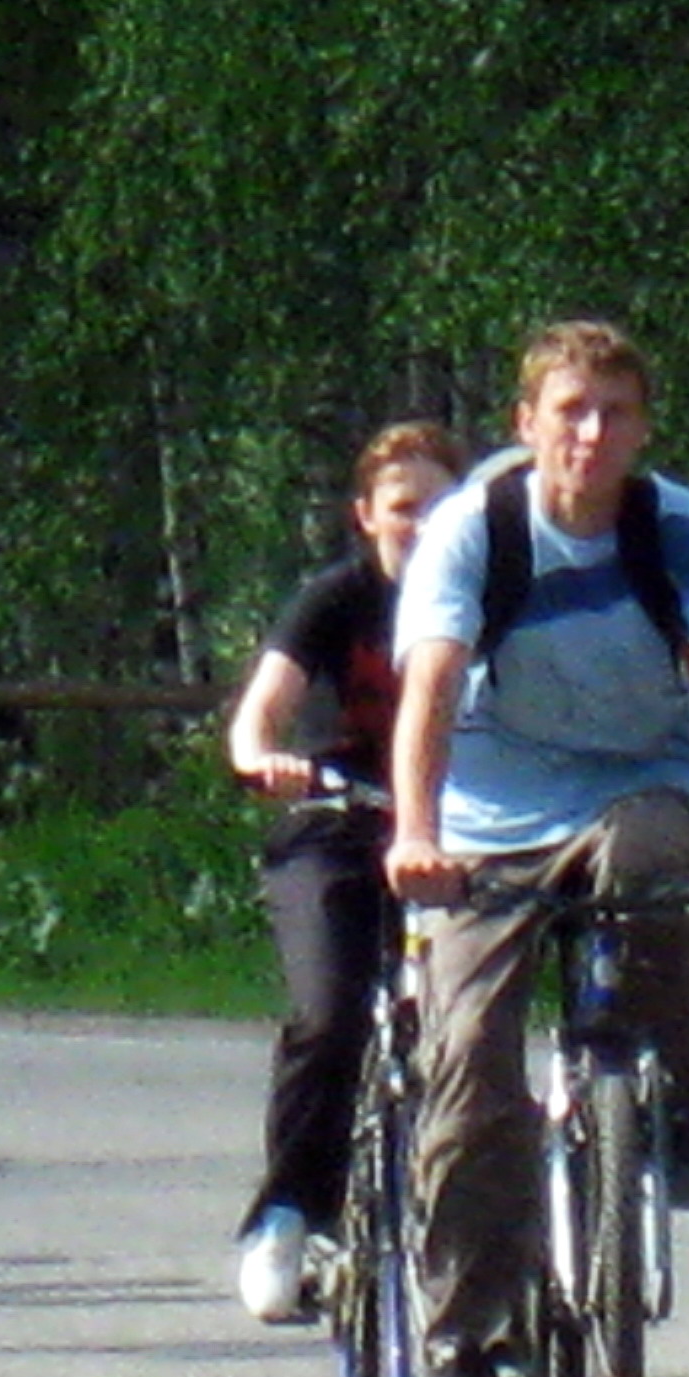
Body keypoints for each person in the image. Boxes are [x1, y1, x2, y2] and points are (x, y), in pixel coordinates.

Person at [382, 319, 689, 1377]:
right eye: (569, 411)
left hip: (641, 783)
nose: (590, 434)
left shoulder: (680, 527)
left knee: (656, 872)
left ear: (642, 430)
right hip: (490, 814)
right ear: (526, 425)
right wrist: (418, 834)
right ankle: (462, 1348)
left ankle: (665, 1106)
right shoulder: (475, 529)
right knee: (467, 1063)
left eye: (613, 413)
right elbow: (430, 689)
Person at [225, 418, 467, 1323]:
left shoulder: (487, 598)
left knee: (467, 1034)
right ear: (366, 515)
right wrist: (263, 757)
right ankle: (288, 1215)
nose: (420, 525)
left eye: (439, 507)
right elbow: (261, 712)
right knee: (331, 1017)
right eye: (402, 507)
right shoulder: (336, 600)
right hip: (338, 825)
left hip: (450, 831)